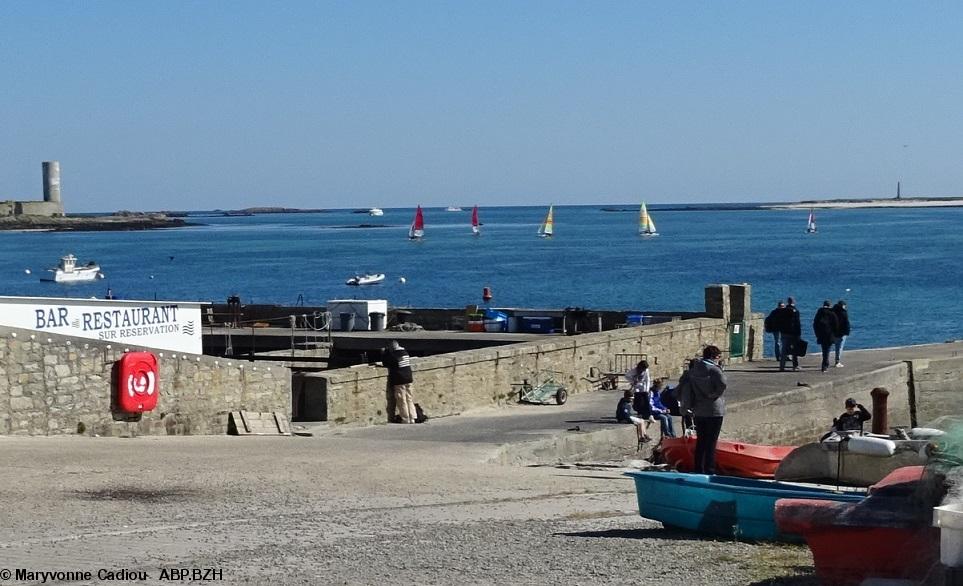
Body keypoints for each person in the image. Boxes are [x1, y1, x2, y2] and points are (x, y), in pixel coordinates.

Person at [687, 345, 728, 474]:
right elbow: (722, 384)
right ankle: (709, 470)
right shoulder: (714, 370)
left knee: (701, 441)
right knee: (711, 442)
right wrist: (714, 394)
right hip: (714, 409)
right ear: (715, 356)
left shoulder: (694, 369)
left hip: (699, 409)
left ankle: (698, 468)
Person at [382, 340, 417, 424]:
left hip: (400, 379)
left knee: (401, 399)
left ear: (392, 348)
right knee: (409, 398)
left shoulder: (394, 355)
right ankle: (413, 417)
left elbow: (386, 363)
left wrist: (384, 354)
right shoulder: (405, 352)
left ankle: (405, 418)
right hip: (408, 377)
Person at [813, 300, 839, 372]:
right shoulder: (832, 313)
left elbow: (815, 324)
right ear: (830, 305)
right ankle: (825, 365)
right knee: (827, 350)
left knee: (824, 349)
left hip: (821, 334)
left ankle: (825, 364)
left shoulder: (819, 312)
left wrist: (817, 334)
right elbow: (836, 325)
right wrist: (835, 334)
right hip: (829, 335)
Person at [777, 296, 802, 372]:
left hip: (784, 332)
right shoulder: (796, 311)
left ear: (787, 302)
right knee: (794, 350)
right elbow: (797, 324)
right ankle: (795, 366)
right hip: (793, 333)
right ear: (793, 302)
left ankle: (782, 367)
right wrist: (799, 334)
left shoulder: (783, 311)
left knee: (784, 350)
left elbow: (780, 321)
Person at [832, 300, 851, 367]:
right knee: (839, 347)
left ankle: (826, 360)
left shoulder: (833, 311)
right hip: (841, 332)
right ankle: (837, 361)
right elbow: (846, 323)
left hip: (833, 332)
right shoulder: (843, 313)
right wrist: (847, 331)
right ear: (843, 306)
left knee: (829, 347)